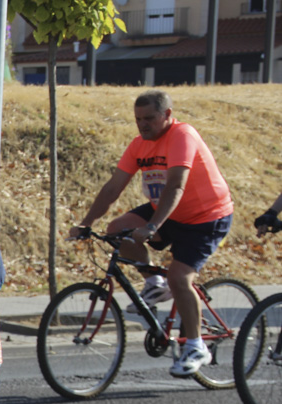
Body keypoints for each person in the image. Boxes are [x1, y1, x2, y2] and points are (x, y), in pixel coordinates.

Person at [69, 90, 234, 377]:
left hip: (206, 216)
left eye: (149, 118)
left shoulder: (183, 135)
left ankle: (196, 346)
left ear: (168, 115)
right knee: (117, 230)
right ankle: (155, 283)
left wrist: (153, 226)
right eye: (137, 119)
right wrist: (86, 222)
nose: (142, 124)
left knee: (180, 277)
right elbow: (112, 188)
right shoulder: (139, 145)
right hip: (168, 210)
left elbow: (176, 186)